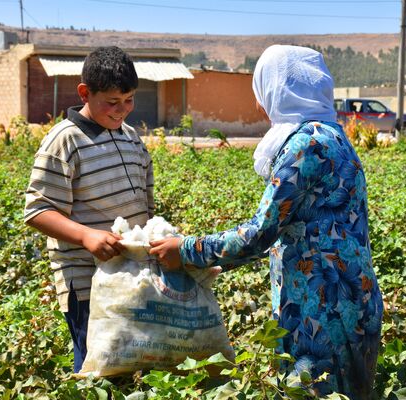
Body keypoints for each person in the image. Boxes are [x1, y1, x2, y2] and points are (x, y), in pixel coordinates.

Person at [150, 45, 383, 398]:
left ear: (279, 90)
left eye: (262, 90)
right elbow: (296, 231)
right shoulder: (334, 136)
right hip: (352, 300)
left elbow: (259, 233)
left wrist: (186, 250)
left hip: (320, 312)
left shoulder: (305, 144)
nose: (259, 103)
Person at [24, 46, 154, 373]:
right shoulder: (64, 140)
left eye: (129, 100)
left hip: (134, 275)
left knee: (134, 364)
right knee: (98, 371)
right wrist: (86, 236)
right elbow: (38, 210)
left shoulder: (131, 137)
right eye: (112, 102)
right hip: (87, 282)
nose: (122, 109)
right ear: (85, 92)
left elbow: (146, 201)